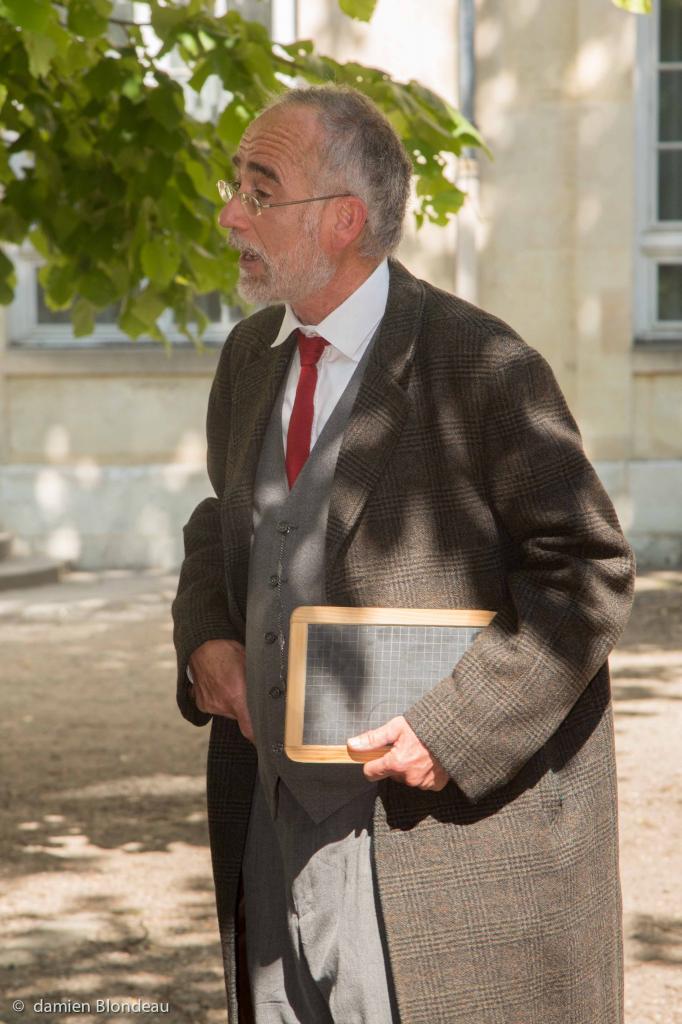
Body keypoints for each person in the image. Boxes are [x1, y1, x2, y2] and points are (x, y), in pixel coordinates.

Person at [172, 85, 635, 1024]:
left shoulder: (483, 365)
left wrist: (452, 730)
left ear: (344, 219)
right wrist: (206, 636)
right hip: (270, 825)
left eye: (260, 192)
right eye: (235, 186)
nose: (229, 215)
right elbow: (221, 519)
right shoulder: (250, 355)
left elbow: (586, 569)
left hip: (429, 848)